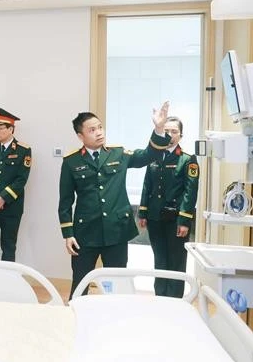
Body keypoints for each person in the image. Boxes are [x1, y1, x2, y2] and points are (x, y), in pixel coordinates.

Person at [58, 102, 170, 298]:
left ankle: (117, 318)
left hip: (116, 231)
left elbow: (147, 155)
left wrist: (159, 129)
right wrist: (67, 233)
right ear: (80, 136)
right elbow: (65, 201)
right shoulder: (71, 162)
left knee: (118, 282)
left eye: (100, 127)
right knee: (80, 281)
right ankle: (76, 318)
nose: (99, 132)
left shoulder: (118, 154)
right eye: (92, 130)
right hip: (85, 233)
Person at [139, 116, 199, 298]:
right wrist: (143, 212)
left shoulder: (188, 160)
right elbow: (146, 185)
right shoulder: (153, 156)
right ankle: (160, 297)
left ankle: (174, 300)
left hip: (176, 220)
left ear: (181, 135)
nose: (170, 135)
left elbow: (190, 193)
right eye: (166, 131)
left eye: (174, 131)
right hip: (155, 217)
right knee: (159, 259)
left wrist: (184, 221)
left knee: (176, 261)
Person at [0, 107, 32, 262]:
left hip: (11, 206)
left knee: (8, 245)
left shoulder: (24, 150)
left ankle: (7, 281)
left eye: (0, 128)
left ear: (11, 129)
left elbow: (21, 178)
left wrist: (2, 198)